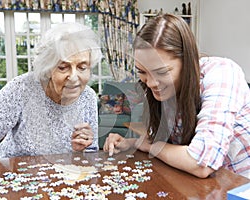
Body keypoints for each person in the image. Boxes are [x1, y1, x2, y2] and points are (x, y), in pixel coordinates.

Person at [0, 22, 102, 183]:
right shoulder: (22, 89)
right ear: (48, 68)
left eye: (82, 67)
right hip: (14, 179)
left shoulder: (88, 97)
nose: (74, 77)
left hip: (62, 183)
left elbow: (90, 155)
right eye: (63, 67)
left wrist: (82, 149)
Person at [103, 14, 250, 179]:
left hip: (240, 185)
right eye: (142, 72)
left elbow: (201, 163)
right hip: (202, 186)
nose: (151, 83)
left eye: (162, 72)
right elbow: (165, 143)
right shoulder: (164, 92)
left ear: (187, 61)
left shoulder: (222, 72)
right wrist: (131, 142)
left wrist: (148, 145)